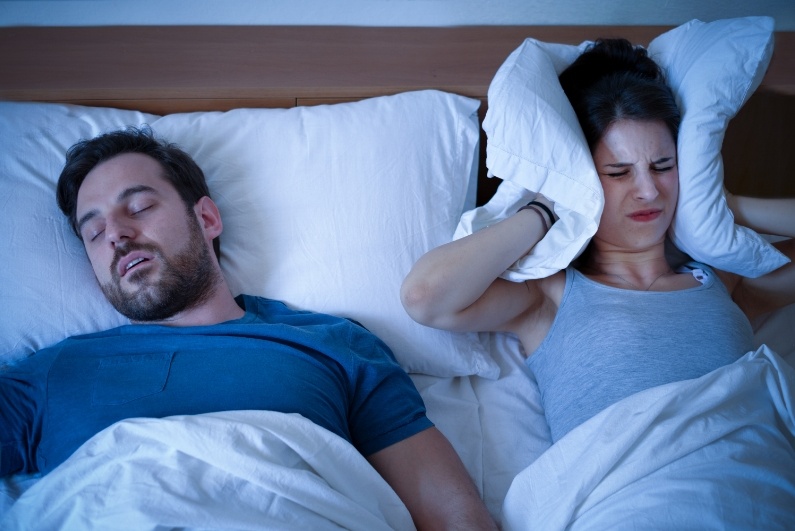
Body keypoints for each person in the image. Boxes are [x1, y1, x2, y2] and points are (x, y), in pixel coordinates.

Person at [0, 127, 498, 530]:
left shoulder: (331, 344)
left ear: (208, 217)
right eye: (93, 231)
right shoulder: (54, 371)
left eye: (139, 208)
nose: (116, 235)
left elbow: (454, 519)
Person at [401, 38, 795, 443]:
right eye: (618, 173)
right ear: (585, 180)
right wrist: (548, 207)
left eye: (662, 166)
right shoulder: (550, 298)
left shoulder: (723, 282)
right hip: (627, 494)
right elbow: (425, 296)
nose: (648, 191)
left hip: (752, 482)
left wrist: (725, 206)